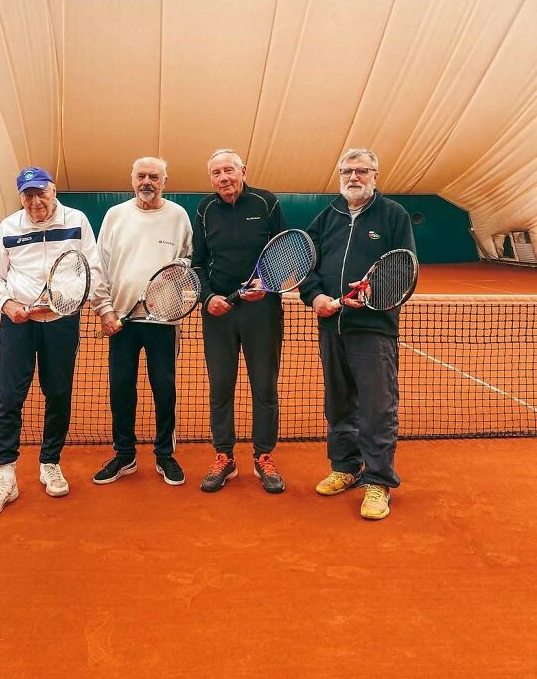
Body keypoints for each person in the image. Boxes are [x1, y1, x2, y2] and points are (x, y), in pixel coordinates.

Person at [0, 166, 105, 519]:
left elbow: (92, 270)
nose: (35, 202)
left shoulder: (76, 220)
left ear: (53, 191)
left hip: (61, 323)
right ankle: (6, 475)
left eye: (40, 193)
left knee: (58, 393)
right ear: (21, 197)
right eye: (27, 195)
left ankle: (50, 462)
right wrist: (9, 304)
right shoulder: (8, 227)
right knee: (9, 395)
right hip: (18, 324)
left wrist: (68, 300)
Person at [300, 148, 416, 521]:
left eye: (361, 171)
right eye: (347, 171)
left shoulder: (392, 215)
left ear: (375, 175)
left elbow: (403, 270)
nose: (353, 177)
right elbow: (308, 265)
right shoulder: (327, 215)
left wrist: (370, 295)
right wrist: (315, 296)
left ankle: (378, 481)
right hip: (331, 327)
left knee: (376, 409)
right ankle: (345, 467)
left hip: (373, 331)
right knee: (338, 404)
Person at [92, 157, 193, 487]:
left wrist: (177, 287)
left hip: (163, 320)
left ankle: (164, 453)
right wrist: (105, 309)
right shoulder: (115, 216)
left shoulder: (178, 216)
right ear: (132, 179)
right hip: (120, 320)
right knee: (121, 389)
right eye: (141, 176)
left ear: (165, 180)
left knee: (164, 389)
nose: (147, 181)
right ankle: (125, 455)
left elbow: (189, 261)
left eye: (154, 176)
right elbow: (100, 267)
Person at [192, 149, 287, 494]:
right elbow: (198, 262)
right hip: (219, 312)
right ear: (211, 179)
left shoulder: (266, 203)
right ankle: (224, 456)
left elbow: (286, 250)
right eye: (216, 173)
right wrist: (207, 298)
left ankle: (264, 457)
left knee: (264, 386)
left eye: (229, 170)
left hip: (262, 311)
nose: (224, 178)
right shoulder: (204, 209)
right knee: (221, 386)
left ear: (243, 171)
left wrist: (269, 284)